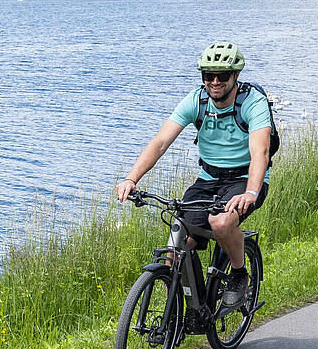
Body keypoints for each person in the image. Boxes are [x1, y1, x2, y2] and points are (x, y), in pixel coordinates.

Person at [115, 41, 272, 308]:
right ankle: (182, 311)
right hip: (208, 179)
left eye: (222, 76)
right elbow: (160, 142)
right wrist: (132, 178)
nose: (215, 82)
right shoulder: (196, 100)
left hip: (244, 180)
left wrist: (251, 192)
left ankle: (238, 274)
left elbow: (261, 152)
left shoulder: (252, 103)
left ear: (235, 76)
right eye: (208, 76)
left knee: (221, 223)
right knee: (177, 243)